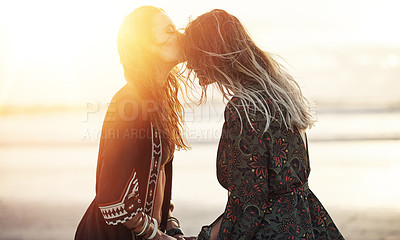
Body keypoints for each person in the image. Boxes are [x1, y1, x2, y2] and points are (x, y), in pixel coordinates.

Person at [183, 9, 345, 239]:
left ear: (211, 53)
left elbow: (250, 205)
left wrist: (206, 236)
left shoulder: (244, 109)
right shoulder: (281, 93)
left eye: (192, 54)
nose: (189, 65)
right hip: (308, 222)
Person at [75, 6, 188, 240]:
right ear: (146, 46)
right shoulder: (129, 102)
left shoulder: (161, 99)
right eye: (169, 31)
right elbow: (110, 196)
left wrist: (170, 224)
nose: (179, 35)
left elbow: (158, 175)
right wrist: (156, 235)